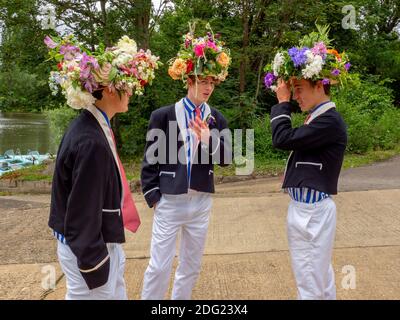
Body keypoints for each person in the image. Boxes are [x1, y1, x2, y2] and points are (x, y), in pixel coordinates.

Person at [45, 34, 160, 299]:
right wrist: (95, 264)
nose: (132, 90)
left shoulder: (92, 125)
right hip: (87, 248)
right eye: (128, 85)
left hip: (97, 241)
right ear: (109, 89)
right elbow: (82, 211)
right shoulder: (91, 141)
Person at [140, 26, 232, 300]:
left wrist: (207, 139)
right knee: (159, 266)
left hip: (201, 202)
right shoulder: (163, 115)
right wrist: (154, 197)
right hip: (169, 201)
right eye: (203, 81)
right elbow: (149, 162)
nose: (208, 87)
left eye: (212, 82)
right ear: (188, 79)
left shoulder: (217, 118)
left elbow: (227, 159)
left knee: (191, 266)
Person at [264, 26, 350, 299]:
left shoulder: (329, 120)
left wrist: (282, 102)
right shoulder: (318, 118)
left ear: (319, 85)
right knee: (318, 277)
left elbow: (282, 138)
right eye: (293, 90)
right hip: (306, 211)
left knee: (309, 280)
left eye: (299, 89)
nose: (296, 96)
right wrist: (290, 99)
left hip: (311, 214)